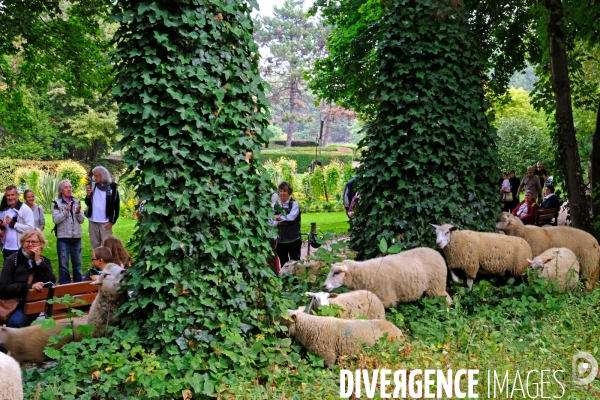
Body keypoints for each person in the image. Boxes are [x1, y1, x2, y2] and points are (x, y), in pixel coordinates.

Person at [0, 228, 56, 328]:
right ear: (22, 242)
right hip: (11, 301)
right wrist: (30, 286)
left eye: (34, 242)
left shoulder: (44, 261)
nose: (30, 244)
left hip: (33, 304)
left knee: (15, 323)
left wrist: (38, 262)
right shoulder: (12, 260)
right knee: (14, 322)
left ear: (41, 244)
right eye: (27, 241)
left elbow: (51, 282)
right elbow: (4, 286)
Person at [52, 180, 85, 284]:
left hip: (76, 238)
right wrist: (66, 211)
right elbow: (55, 220)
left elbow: (82, 220)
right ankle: (65, 288)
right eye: (66, 187)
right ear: (61, 190)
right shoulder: (56, 203)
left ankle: (79, 287)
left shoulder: (76, 201)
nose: (69, 189)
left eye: (70, 187)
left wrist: (78, 212)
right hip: (63, 239)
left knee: (78, 264)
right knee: (63, 265)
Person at [85, 166, 120, 250]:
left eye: (97, 176)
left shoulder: (112, 187)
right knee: (94, 246)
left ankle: (107, 263)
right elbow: (87, 203)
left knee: (107, 246)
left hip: (105, 222)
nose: (94, 178)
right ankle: (96, 262)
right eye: (94, 175)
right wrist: (88, 195)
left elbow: (116, 206)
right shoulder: (93, 186)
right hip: (93, 221)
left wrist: (112, 221)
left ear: (103, 175)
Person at [269, 181, 301, 267]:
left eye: (284, 191)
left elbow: (291, 219)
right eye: (280, 191)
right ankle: (285, 280)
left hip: (293, 239)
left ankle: (295, 280)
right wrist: (277, 221)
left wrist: (277, 218)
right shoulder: (273, 205)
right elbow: (269, 220)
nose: (282, 193)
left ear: (289, 192)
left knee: (295, 262)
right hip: (280, 240)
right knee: (283, 262)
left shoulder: (294, 204)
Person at [0, 186, 34, 259]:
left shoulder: (25, 209)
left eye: (12, 195)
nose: (10, 197)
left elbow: (31, 229)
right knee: (8, 270)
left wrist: (13, 224)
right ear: (6, 196)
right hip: (6, 248)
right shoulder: (5, 210)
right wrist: (2, 227)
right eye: (8, 195)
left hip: (20, 248)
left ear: (17, 195)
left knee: (20, 270)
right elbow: (3, 232)